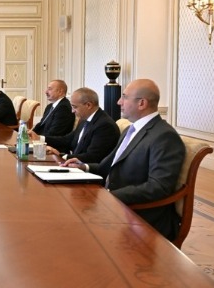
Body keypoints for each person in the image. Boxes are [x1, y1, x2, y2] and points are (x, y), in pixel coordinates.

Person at [62, 79, 186, 241]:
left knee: (73, 233)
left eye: (125, 97)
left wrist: (109, 196)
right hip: (115, 206)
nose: (119, 102)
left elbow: (159, 187)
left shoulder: (164, 136)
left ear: (142, 103)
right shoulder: (130, 129)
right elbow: (108, 167)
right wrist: (84, 167)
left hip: (140, 217)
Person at [30, 87, 119, 163]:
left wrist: (62, 156)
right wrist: (40, 138)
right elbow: (67, 140)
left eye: (75, 107)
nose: (72, 111)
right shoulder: (85, 119)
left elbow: (92, 157)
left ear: (88, 105)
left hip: (88, 172)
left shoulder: (105, 126)